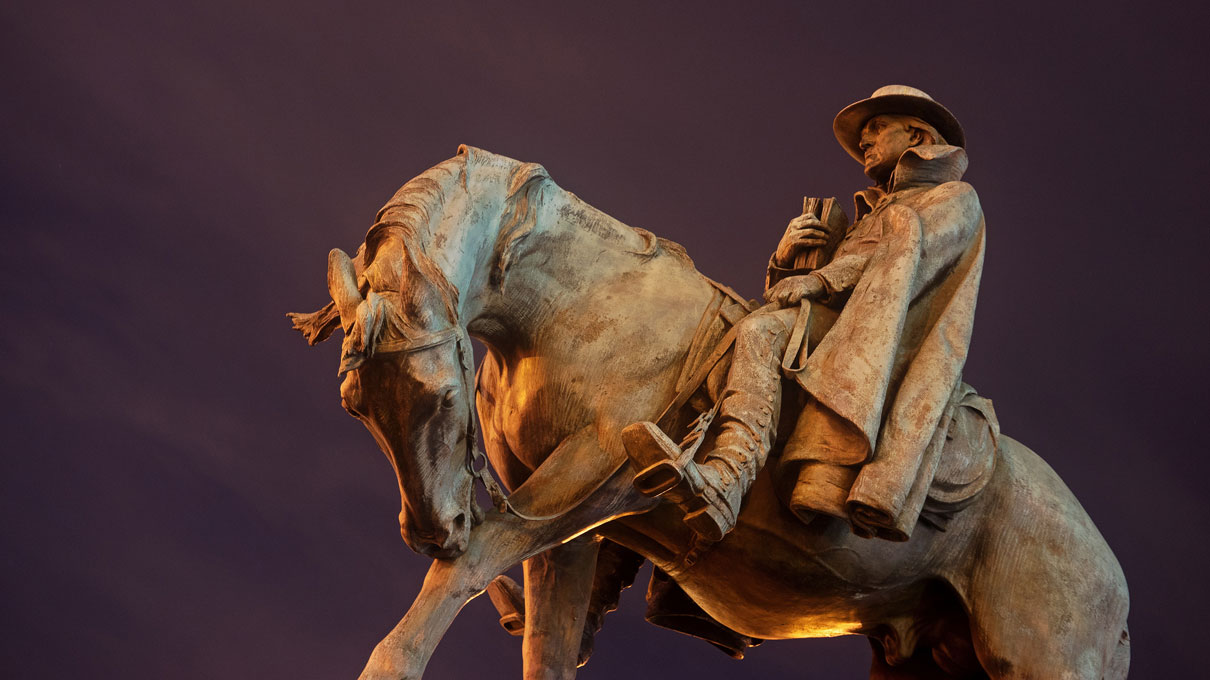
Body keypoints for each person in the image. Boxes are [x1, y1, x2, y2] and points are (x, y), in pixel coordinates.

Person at [625, 85, 986, 542]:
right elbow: (794, 291)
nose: (863, 142)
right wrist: (788, 255)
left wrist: (821, 279)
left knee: (760, 332)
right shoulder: (871, 210)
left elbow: (906, 259)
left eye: (876, 128)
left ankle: (728, 477)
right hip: (831, 327)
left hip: (877, 344)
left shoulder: (953, 199)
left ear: (916, 135)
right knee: (710, 339)